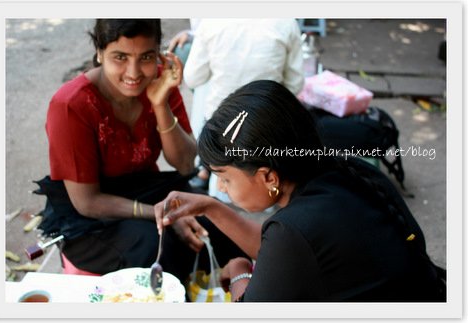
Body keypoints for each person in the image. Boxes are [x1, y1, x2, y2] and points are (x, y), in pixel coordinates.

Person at [154, 80, 446, 302]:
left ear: (268, 176)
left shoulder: (296, 228)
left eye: (225, 178)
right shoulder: (347, 171)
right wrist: (210, 207)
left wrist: (242, 270)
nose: (220, 187)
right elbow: (288, 252)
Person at [38, 19, 246, 280]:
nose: (134, 72)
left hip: (148, 190)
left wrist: (160, 104)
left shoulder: (160, 81)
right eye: (120, 57)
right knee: (157, 248)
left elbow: (183, 163)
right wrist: (167, 215)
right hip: (89, 219)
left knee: (217, 222)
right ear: (100, 53)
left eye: (146, 57)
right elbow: (87, 202)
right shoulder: (71, 105)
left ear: (159, 53)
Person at [182, 18, 305, 196]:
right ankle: (206, 167)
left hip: (220, 123)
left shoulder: (211, 22)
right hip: (264, 123)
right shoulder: (286, 22)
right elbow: (295, 84)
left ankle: (204, 167)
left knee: (205, 88)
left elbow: (193, 78)